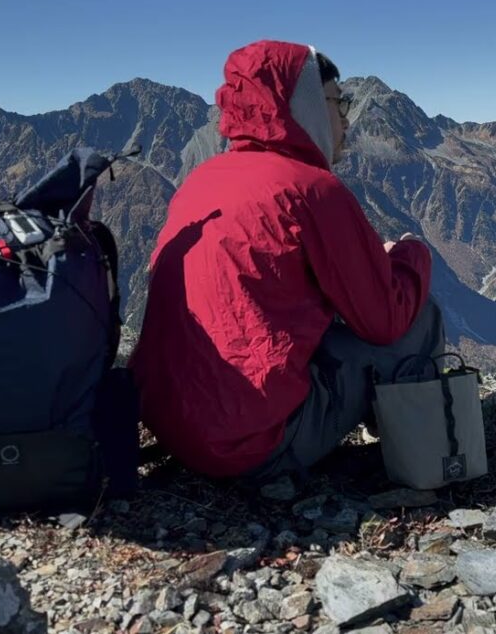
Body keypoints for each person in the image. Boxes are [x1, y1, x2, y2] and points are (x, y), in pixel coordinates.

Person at [129, 39, 444, 480]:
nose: (345, 120)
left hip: (173, 428)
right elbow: (384, 320)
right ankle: (426, 460)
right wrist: (411, 253)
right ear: (308, 105)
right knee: (420, 315)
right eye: (338, 103)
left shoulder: (203, 179)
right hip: (253, 445)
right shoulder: (312, 190)